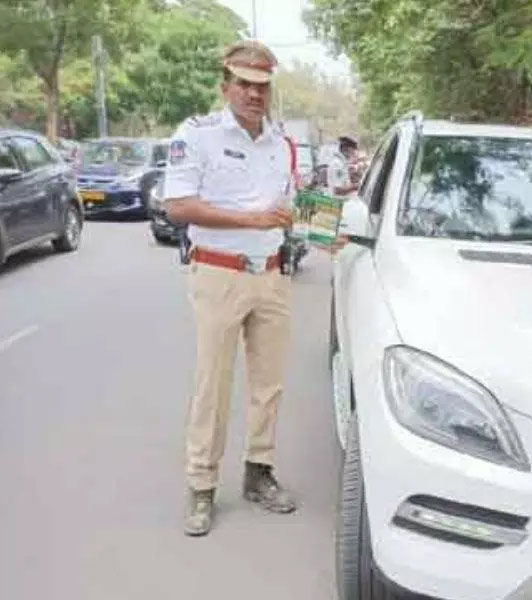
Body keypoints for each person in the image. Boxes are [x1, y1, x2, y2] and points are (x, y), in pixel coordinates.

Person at [164, 40, 339, 537]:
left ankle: (258, 473)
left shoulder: (281, 143)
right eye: (243, 83)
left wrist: (330, 235)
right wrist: (251, 218)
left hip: (272, 275)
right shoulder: (196, 136)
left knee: (269, 384)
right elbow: (178, 206)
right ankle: (201, 486)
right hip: (218, 273)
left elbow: (292, 208)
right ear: (226, 87)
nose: (253, 93)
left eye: (261, 85)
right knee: (212, 384)